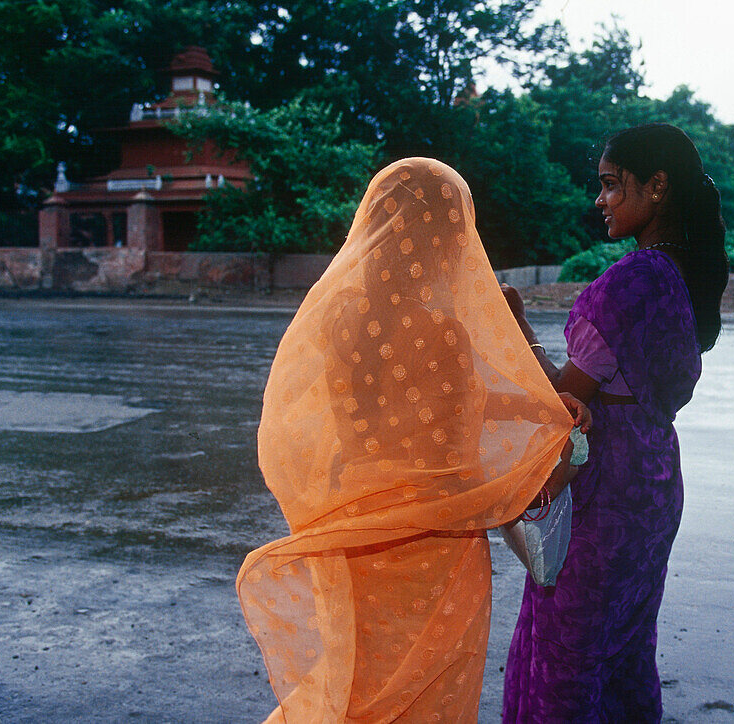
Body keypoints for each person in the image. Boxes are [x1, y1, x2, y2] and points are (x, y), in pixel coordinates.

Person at [236, 157, 589, 723]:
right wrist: (529, 462)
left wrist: (537, 405)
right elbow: (457, 448)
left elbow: (409, 404)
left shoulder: (342, 316)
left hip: (357, 522)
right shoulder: (441, 328)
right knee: (426, 694)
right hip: (432, 545)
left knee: (360, 682)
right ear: (444, 237)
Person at [501, 123, 729, 722]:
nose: (598, 200)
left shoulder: (633, 280)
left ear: (655, 188)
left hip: (603, 494)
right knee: (624, 652)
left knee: (565, 660)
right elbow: (607, 389)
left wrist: (514, 333)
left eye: (609, 185)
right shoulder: (684, 279)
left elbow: (562, 400)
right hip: (653, 485)